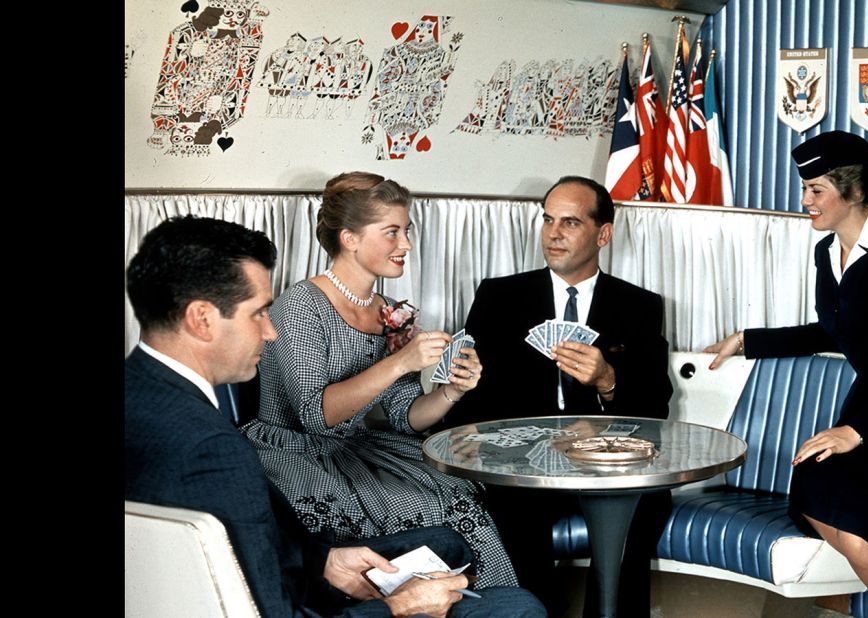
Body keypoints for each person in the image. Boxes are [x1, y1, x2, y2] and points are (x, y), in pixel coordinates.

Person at [125, 215, 545, 617]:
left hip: (282, 571)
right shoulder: (214, 451)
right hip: (288, 580)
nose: (270, 332)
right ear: (201, 319)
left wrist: (324, 560)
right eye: (258, 312)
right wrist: (399, 607)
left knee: (450, 539)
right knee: (520, 606)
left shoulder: (140, 394)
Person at [704, 131, 868, 618]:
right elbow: (833, 330)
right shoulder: (827, 252)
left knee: (860, 536)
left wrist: (857, 431)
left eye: (816, 189)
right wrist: (749, 339)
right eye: (804, 187)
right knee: (813, 485)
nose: (805, 200)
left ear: (855, 192)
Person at [239, 173, 518, 589]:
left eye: (406, 231)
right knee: (417, 506)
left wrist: (451, 391)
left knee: (460, 494)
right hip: (294, 452)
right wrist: (400, 362)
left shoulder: (389, 310)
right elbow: (316, 416)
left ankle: (480, 608)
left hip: (360, 450)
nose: (405, 244)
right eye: (392, 232)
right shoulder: (301, 305)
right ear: (349, 238)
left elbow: (408, 418)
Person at [446, 176, 674, 617]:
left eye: (570, 222)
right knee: (512, 511)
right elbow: (472, 393)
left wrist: (608, 379)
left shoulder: (639, 305)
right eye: (548, 220)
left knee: (644, 505)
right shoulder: (500, 296)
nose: (553, 233)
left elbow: (655, 406)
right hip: (522, 466)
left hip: (606, 464)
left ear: (603, 234)